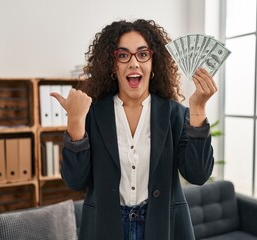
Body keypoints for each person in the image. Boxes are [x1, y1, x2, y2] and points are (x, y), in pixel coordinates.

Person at [50, 19, 217, 240]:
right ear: (113, 65)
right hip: (105, 226)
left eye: (142, 54)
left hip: (163, 226)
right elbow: (75, 181)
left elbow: (198, 175)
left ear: (153, 63)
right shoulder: (92, 114)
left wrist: (198, 108)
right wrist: (75, 123)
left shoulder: (176, 115)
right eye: (123, 55)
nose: (134, 63)